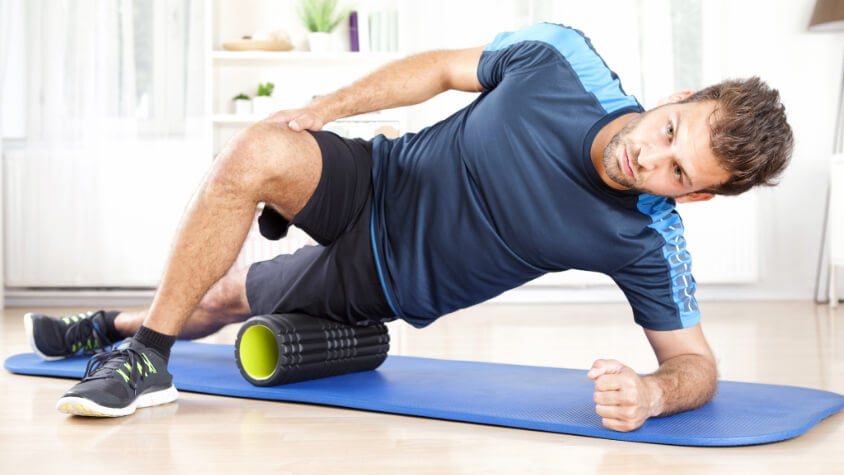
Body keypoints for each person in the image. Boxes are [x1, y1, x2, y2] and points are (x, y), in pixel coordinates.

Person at [24, 23, 793, 432]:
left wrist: (655, 394)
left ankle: (108, 326)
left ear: (693, 199)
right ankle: (144, 360)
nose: (648, 158)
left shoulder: (648, 236)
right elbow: (438, 68)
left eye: (679, 173)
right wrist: (326, 110)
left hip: (385, 277)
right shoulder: (565, 62)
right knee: (257, 147)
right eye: (670, 130)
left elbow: (696, 364)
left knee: (231, 298)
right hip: (376, 175)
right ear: (678, 96)